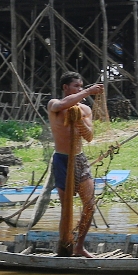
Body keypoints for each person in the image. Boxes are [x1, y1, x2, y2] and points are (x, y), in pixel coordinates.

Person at [48, 72, 103, 257]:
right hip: (62, 160)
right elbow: (64, 104)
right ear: (66, 88)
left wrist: (78, 119)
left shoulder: (85, 110)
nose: (80, 89)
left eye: (81, 86)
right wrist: (88, 91)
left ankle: (79, 246)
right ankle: (65, 246)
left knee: (89, 204)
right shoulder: (54, 105)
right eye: (76, 87)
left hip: (79, 159)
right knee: (66, 207)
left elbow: (89, 136)